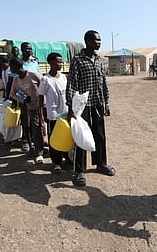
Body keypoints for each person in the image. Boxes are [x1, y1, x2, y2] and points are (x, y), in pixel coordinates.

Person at [66, 30, 115, 187]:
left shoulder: (99, 60)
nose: (99, 43)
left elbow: (104, 82)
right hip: (82, 106)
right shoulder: (77, 60)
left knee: (99, 136)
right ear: (87, 41)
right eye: (96, 40)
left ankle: (101, 163)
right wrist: (71, 107)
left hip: (98, 103)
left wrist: (106, 102)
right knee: (82, 138)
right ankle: (80, 170)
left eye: (100, 40)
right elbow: (72, 83)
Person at [38, 52, 71, 173]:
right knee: (54, 139)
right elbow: (41, 98)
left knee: (66, 136)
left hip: (66, 113)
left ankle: (67, 158)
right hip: (53, 115)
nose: (61, 64)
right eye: (58, 61)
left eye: (61, 61)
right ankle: (56, 162)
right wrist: (41, 116)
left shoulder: (64, 77)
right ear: (51, 63)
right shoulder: (45, 79)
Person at [9, 58, 45, 164]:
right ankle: (39, 152)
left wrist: (44, 102)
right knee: (35, 127)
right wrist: (23, 100)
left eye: (11, 67)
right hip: (32, 107)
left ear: (16, 66)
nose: (10, 69)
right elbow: (12, 93)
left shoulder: (33, 75)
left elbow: (45, 86)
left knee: (47, 127)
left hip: (44, 105)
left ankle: (50, 148)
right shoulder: (16, 80)